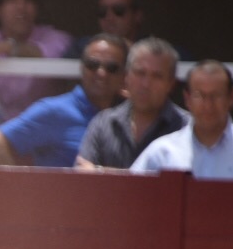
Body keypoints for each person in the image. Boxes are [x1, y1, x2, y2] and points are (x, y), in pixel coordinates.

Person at [0, 34, 127, 168]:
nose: (101, 73)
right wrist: (21, 189)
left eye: (111, 68)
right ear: (82, 68)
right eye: (92, 65)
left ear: (124, 76)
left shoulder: (130, 115)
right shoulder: (55, 110)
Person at [131, 61, 233, 181]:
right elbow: (131, 194)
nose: (208, 105)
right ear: (187, 99)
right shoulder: (162, 153)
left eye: (216, 95)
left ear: (231, 97)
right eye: (199, 95)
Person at [77, 37, 187, 171]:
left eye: (157, 76)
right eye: (140, 73)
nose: (146, 84)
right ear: (126, 76)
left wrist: (100, 171)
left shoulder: (186, 128)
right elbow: (83, 177)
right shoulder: (103, 124)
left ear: (171, 84)